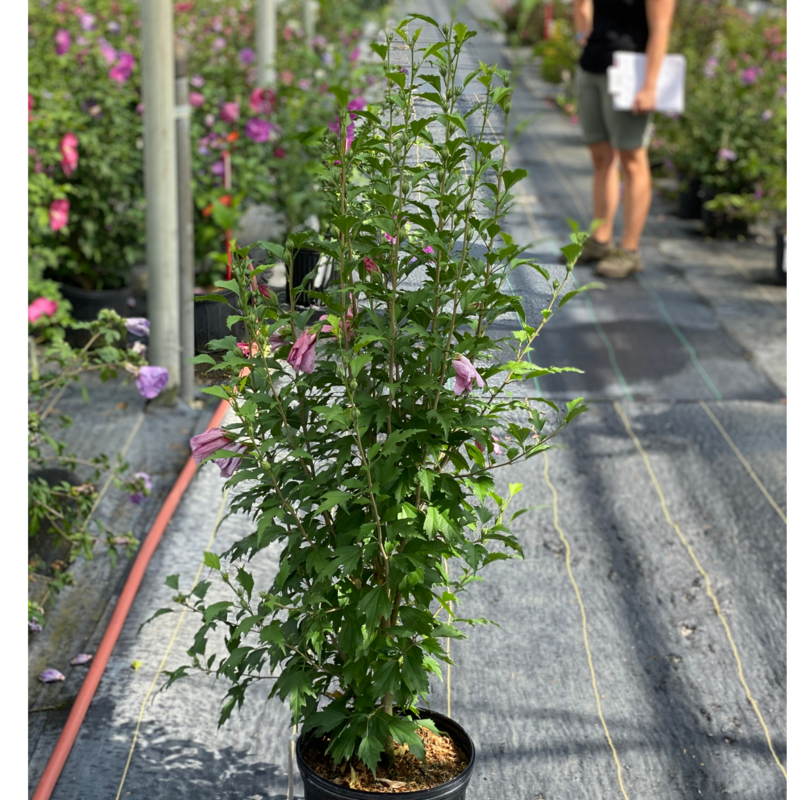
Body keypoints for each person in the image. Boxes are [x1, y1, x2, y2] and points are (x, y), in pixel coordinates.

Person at [572, 0, 676, 278]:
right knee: (600, 157)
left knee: (631, 158)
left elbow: (661, 28)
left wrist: (650, 86)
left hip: (630, 74)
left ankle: (630, 249)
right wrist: (582, 32)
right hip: (591, 66)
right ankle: (601, 239)